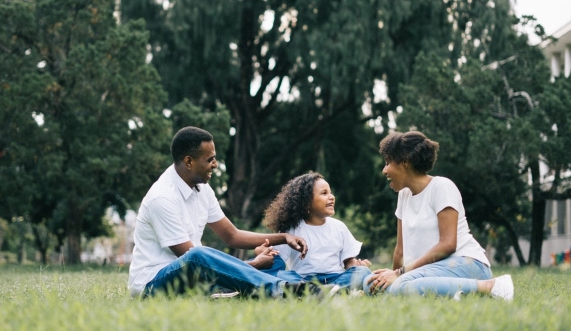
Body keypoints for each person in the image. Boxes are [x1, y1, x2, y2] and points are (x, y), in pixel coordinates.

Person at [128, 126, 321, 299]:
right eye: (210, 159)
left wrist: (284, 237)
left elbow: (232, 236)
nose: (216, 164)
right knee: (197, 255)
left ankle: (311, 287)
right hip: (153, 284)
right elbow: (193, 261)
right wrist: (251, 266)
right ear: (189, 161)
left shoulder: (202, 189)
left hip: (195, 277)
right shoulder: (162, 198)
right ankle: (281, 289)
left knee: (273, 262)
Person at [363, 131, 514, 301]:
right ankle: (452, 293)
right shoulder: (403, 195)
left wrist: (400, 275)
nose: (384, 170)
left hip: (465, 263)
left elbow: (448, 245)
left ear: (404, 162)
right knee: (370, 285)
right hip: (427, 271)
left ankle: (491, 286)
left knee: (402, 285)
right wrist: (390, 277)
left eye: (387, 162)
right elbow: (400, 251)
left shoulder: (442, 187)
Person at [260, 172, 372, 290]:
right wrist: (265, 252)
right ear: (306, 202)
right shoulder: (291, 230)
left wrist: (357, 267)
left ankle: (328, 290)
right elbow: (277, 261)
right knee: (283, 275)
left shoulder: (339, 227)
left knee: (363, 272)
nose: (332, 197)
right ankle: (320, 291)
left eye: (330, 192)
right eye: (324, 193)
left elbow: (349, 261)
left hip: (336, 278)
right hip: (303, 280)